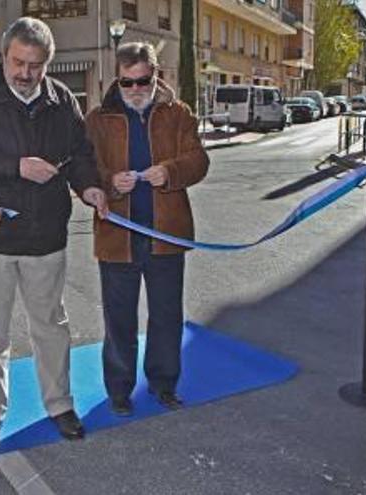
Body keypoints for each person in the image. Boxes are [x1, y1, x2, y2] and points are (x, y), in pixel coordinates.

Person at [0, 17, 108, 449]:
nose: (26, 74)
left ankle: (60, 404)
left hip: (45, 237)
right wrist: (15, 167)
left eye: (36, 65)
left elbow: (80, 154)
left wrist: (89, 186)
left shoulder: (62, 99)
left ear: (48, 63)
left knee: (52, 327)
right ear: (3, 55)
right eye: (18, 62)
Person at [85, 42, 209, 416]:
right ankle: (119, 390)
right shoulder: (96, 120)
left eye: (144, 81)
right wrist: (108, 183)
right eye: (128, 83)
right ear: (116, 80)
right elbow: (84, 172)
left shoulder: (179, 114)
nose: (136, 90)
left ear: (157, 75)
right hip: (116, 238)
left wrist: (170, 172)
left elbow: (199, 161)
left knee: (167, 316)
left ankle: (164, 384)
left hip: (166, 235)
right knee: (119, 319)